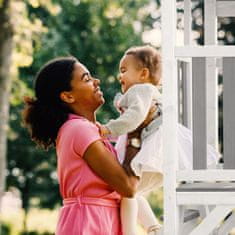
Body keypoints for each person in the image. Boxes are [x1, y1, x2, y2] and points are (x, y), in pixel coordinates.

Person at [22, 56, 156, 235]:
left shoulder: (89, 130)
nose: (96, 81)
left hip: (98, 219)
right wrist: (135, 133)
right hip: (88, 221)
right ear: (68, 96)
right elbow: (127, 186)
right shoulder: (79, 129)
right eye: (86, 79)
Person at [99, 45, 220, 235]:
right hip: (154, 140)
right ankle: (153, 228)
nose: (119, 75)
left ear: (143, 73)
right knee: (133, 191)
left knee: (127, 191)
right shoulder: (148, 91)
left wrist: (107, 129)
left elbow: (134, 118)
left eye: (123, 70)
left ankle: (130, 231)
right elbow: (131, 124)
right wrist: (110, 133)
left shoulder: (140, 90)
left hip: (153, 142)